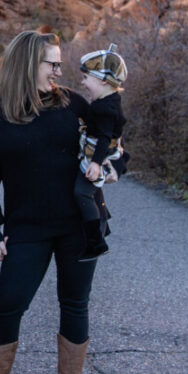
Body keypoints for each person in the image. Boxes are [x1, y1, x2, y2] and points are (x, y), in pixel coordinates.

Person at [0, 29, 101, 374]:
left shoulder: (75, 106)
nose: (59, 71)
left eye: (60, 63)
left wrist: (111, 161)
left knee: (74, 304)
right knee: (9, 305)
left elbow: (110, 144)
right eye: (53, 63)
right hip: (25, 226)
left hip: (79, 224)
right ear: (28, 63)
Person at [74, 42, 129, 262]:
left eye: (87, 78)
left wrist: (96, 164)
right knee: (90, 192)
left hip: (98, 156)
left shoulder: (104, 108)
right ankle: (101, 222)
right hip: (96, 152)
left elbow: (105, 138)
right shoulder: (107, 100)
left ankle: (96, 242)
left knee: (82, 192)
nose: (83, 83)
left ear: (104, 80)